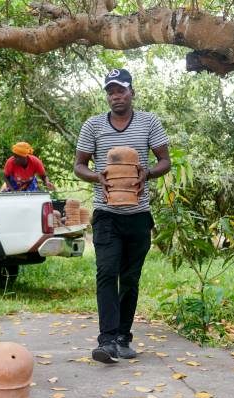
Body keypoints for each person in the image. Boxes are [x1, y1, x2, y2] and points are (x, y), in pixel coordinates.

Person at [74, 68, 171, 364]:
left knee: (129, 278)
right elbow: (79, 165)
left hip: (139, 215)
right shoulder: (93, 126)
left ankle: (123, 337)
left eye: (121, 90)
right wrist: (96, 178)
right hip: (106, 214)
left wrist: (149, 172)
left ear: (131, 92)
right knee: (106, 273)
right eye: (111, 92)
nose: (116, 96)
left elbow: (164, 160)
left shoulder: (149, 122)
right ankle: (106, 341)